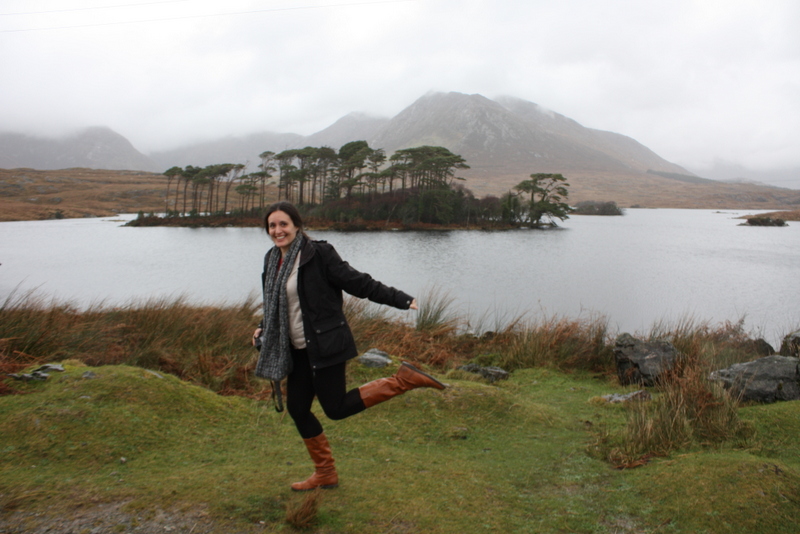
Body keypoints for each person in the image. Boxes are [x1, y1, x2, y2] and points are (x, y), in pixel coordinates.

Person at [252, 201, 446, 491]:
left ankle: (403, 380)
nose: (278, 230)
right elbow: (276, 303)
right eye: (272, 225)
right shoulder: (271, 259)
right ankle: (325, 473)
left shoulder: (318, 254)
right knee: (298, 409)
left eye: (283, 224)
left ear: (297, 226)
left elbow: (359, 283)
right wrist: (263, 326)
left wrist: (401, 299)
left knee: (336, 408)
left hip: (325, 345)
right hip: (294, 349)